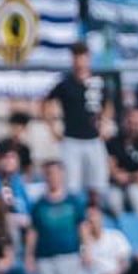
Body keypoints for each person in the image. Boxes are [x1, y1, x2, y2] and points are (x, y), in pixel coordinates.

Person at [46, 41, 108, 201]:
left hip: (94, 140)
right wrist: (53, 128)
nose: (80, 61)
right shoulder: (65, 84)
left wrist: (104, 124)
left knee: (96, 185)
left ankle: (95, 218)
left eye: (83, 57)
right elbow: (46, 103)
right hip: (71, 140)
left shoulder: (98, 82)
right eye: (76, 57)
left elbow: (108, 103)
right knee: (71, 186)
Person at [26, 161, 84, 274]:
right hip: (45, 257)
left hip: (69, 254)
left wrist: (86, 249)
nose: (53, 177)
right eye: (49, 174)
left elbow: (82, 226)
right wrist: (29, 255)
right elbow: (33, 232)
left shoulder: (73, 202)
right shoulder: (39, 205)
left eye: (56, 173)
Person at [80, 199, 138, 274]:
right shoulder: (83, 244)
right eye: (89, 218)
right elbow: (87, 263)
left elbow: (123, 260)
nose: (93, 221)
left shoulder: (115, 236)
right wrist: (86, 240)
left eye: (95, 216)